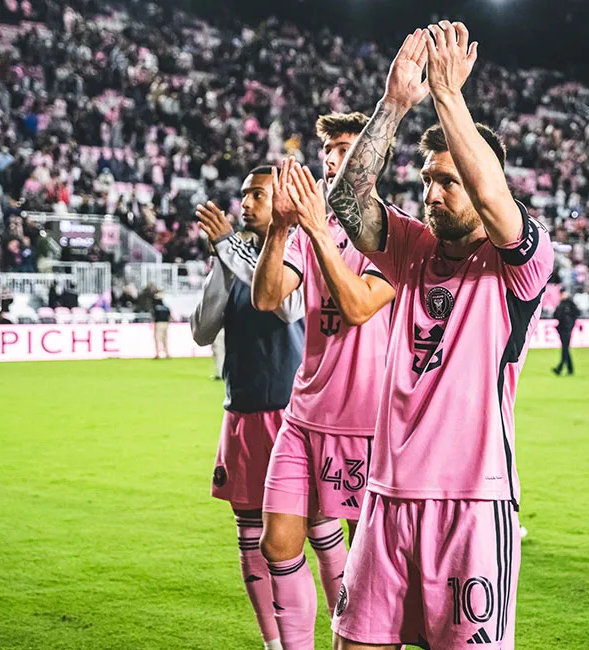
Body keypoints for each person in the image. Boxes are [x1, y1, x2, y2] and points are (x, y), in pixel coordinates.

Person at [326, 24, 554, 649]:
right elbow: (347, 199)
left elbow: (493, 197)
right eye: (428, 179)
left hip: (472, 503)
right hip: (385, 495)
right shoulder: (413, 249)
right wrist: (397, 102)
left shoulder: (522, 265)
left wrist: (450, 96)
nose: (431, 194)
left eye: (447, 181)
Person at [250, 113, 395, 650]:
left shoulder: (391, 232)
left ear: (374, 158)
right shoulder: (315, 230)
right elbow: (267, 298)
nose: (335, 159)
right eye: (330, 149)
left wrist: (312, 230)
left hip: (365, 424)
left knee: (365, 562)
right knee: (278, 542)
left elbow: (358, 307)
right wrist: (284, 227)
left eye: (347, 149)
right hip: (304, 414)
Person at [190, 166, 306, 650]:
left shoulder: (300, 250)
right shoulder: (231, 260)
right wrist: (223, 261)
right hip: (240, 414)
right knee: (250, 535)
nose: (246, 203)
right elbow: (201, 330)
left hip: (292, 417)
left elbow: (285, 307)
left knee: (316, 536)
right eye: (244, 194)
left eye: (258, 194)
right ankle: (273, 643)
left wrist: (227, 250)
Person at [552, 287, 578, 376]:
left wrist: (571, 324)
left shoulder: (569, 304)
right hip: (563, 329)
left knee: (565, 349)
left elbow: (576, 313)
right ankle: (570, 369)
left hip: (567, 329)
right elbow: (556, 315)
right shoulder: (563, 304)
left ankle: (560, 368)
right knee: (565, 348)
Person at [152, 294, 171, 359]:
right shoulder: (166, 307)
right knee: (165, 339)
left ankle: (157, 354)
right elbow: (169, 317)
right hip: (166, 324)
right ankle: (167, 353)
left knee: (157, 339)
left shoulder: (155, 307)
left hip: (159, 324)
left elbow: (154, 317)